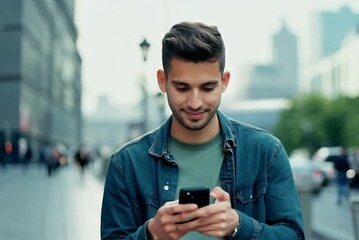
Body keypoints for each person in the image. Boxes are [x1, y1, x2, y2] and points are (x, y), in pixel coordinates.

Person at [101, 21, 304, 240]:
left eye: (207, 88)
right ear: (162, 81)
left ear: (224, 81)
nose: (195, 102)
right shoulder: (126, 164)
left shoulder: (266, 152)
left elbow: (293, 235)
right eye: (182, 88)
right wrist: (151, 234)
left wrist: (238, 225)